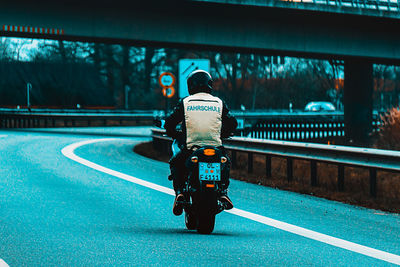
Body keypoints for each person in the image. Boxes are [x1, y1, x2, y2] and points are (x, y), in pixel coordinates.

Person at [164, 70, 237, 216]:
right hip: (215, 147)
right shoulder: (219, 103)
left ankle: (179, 193)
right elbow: (232, 123)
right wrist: (222, 134)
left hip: (192, 148)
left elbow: (169, 123)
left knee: (175, 163)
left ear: (190, 86)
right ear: (209, 85)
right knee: (226, 162)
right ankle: (223, 191)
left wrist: (175, 134)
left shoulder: (185, 102)